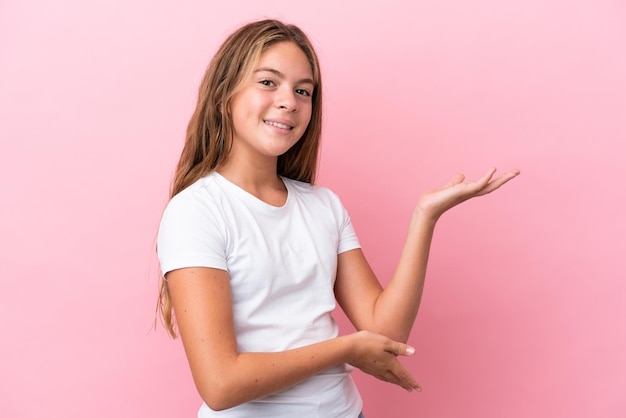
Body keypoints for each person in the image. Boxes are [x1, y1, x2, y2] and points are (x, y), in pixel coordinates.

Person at [156, 19, 520, 418]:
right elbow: (220, 384)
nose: (289, 101)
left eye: (303, 91)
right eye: (268, 82)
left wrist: (424, 217)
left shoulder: (323, 206)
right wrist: (346, 348)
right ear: (225, 94)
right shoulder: (197, 211)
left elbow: (386, 334)